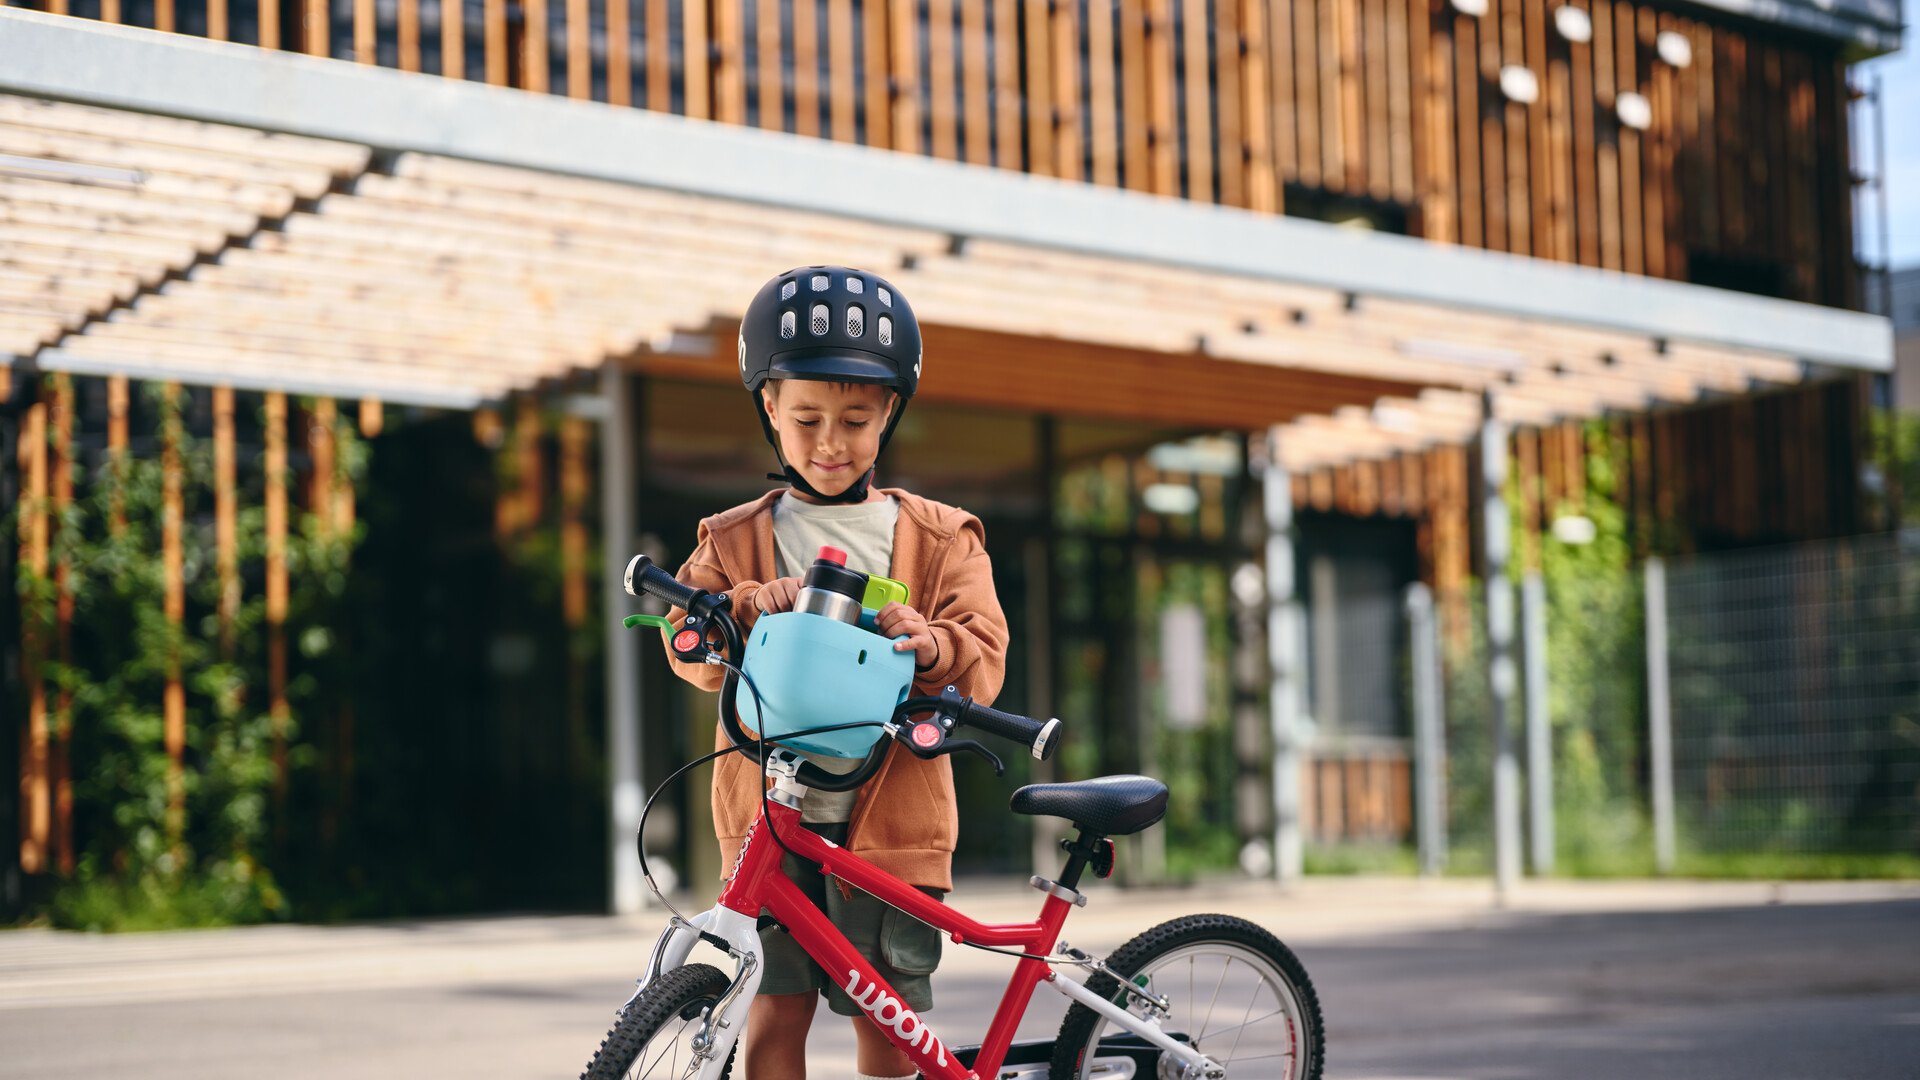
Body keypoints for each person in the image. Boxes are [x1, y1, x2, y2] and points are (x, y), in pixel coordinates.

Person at [663, 265, 1010, 1080]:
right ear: (770, 411)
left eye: (856, 419)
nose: (829, 442)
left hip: (891, 825)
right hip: (768, 820)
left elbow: (983, 654)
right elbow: (689, 650)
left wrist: (931, 645)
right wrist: (745, 604)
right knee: (774, 1013)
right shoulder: (733, 536)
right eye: (808, 417)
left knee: (883, 1021)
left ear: (889, 413)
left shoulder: (942, 537)